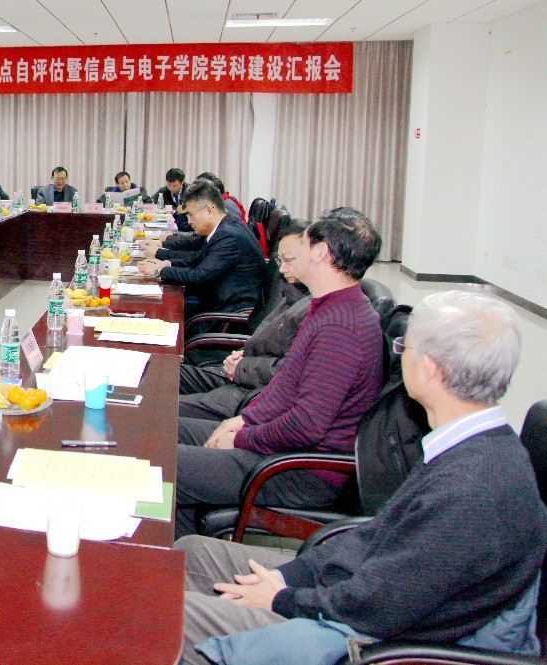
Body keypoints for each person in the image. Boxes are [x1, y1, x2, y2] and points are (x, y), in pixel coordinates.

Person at [178, 290, 545, 664]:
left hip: (368, 639)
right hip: (356, 591)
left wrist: (280, 598)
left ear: (430, 367)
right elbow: (375, 535)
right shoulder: (467, 445)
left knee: (171, 612)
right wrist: (291, 575)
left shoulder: (473, 489)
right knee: (192, 553)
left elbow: (379, 606)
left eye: (404, 347)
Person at [171, 207, 384, 539]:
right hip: (280, 445)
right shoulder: (329, 306)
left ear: (320, 253)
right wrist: (244, 420)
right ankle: (182, 540)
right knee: (162, 429)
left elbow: (306, 425)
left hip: (301, 470)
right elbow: (285, 386)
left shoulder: (341, 328)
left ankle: (167, 560)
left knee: (160, 464)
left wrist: (242, 437)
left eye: (305, 242)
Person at [179, 222, 311, 422]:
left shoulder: (319, 311)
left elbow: (291, 371)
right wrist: (244, 355)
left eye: (289, 260)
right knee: (158, 372)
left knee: (157, 406)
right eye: (280, 260)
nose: (283, 269)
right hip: (242, 374)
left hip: (249, 395)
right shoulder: (294, 292)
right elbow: (268, 342)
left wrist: (243, 365)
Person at [137, 180, 265, 317]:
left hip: (227, 312)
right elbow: (198, 258)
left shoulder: (229, 236)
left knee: (160, 310)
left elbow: (200, 276)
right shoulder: (226, 225)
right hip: (214, 298)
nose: (189, 221)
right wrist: (166, 264)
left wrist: (160, 270)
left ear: (209, 211)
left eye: (191, 214)